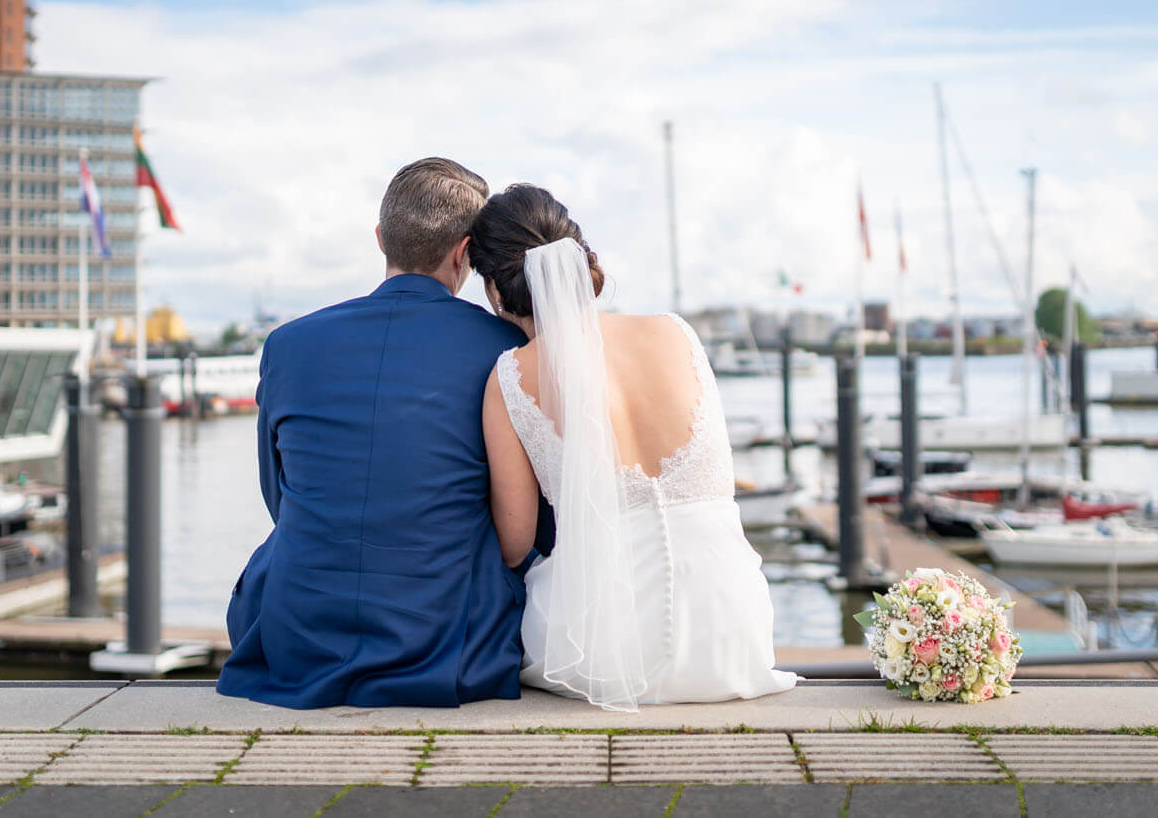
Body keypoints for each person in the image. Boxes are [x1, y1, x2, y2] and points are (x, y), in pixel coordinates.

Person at [219, 158, 546, 708]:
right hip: (448, 637)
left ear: (380, 238)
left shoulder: (288, 344)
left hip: (297, 632)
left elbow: (280, 498)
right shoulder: (506, 349)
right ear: (465, 253)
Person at [470, 184, 797, 710]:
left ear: (494, 290)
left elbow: (514, 543)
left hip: (595, 649)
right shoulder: (675, 334)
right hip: (731, 636)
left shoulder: (510, 376)